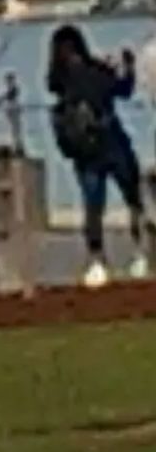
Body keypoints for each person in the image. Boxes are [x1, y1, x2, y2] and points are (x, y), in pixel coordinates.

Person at [46, 24, 150, 287]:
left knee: (93, 207)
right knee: (134, 198)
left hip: (84, 152)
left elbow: (56, 90)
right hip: (112, 142)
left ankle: (97, 260)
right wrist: (126, 65)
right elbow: (124, 89)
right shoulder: (96, 72)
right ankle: (140, 253)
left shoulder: (59, 80)